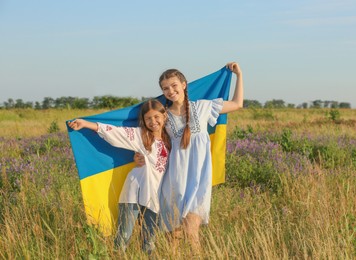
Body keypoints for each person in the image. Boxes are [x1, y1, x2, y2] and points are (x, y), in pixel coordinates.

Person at [135, 62, 243, 251]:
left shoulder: (203, 107)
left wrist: (238, 76)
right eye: (165, 88)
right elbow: (153, 142)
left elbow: (237, 104)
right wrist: (140, 156)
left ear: (184, 84)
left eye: (174, 85)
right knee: (173, 238)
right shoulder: (164, 116)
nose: (170, 91)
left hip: (198, 181)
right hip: (174, 181)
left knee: (192, 232)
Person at [68, 99, 171, 254]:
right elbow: (114, 132)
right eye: (148, 118)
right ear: (143, 120)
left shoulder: (170, 140)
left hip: (156, 196)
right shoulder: (140, 135)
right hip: (133, 194)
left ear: (165, 116)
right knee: (123, 239)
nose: (153, 122)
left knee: (150, 242)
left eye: (156, 117)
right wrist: (86, 124)